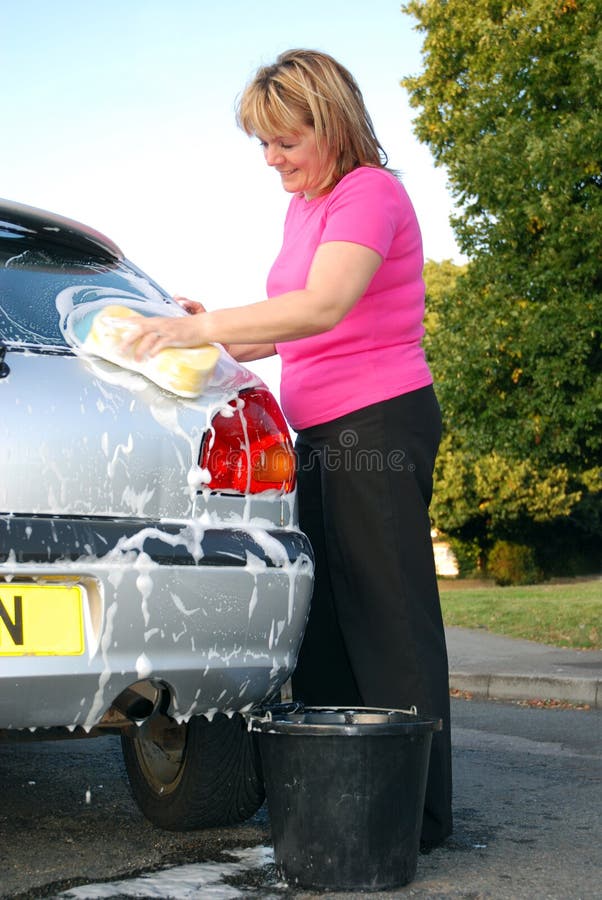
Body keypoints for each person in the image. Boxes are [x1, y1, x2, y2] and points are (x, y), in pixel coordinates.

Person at [123, 48, 453, 848]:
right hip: (321, 434)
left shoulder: (369, 193)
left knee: (389, 621)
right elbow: (291, 331)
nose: (271, 159)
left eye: (284, 141)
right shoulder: (306, 207)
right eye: (262, 144)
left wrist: (205, 326)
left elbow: (323, 306)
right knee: (329, 626)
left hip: (378, 427)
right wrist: (211, 331)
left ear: (331, 123)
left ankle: (418, 818)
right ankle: (353, 798)